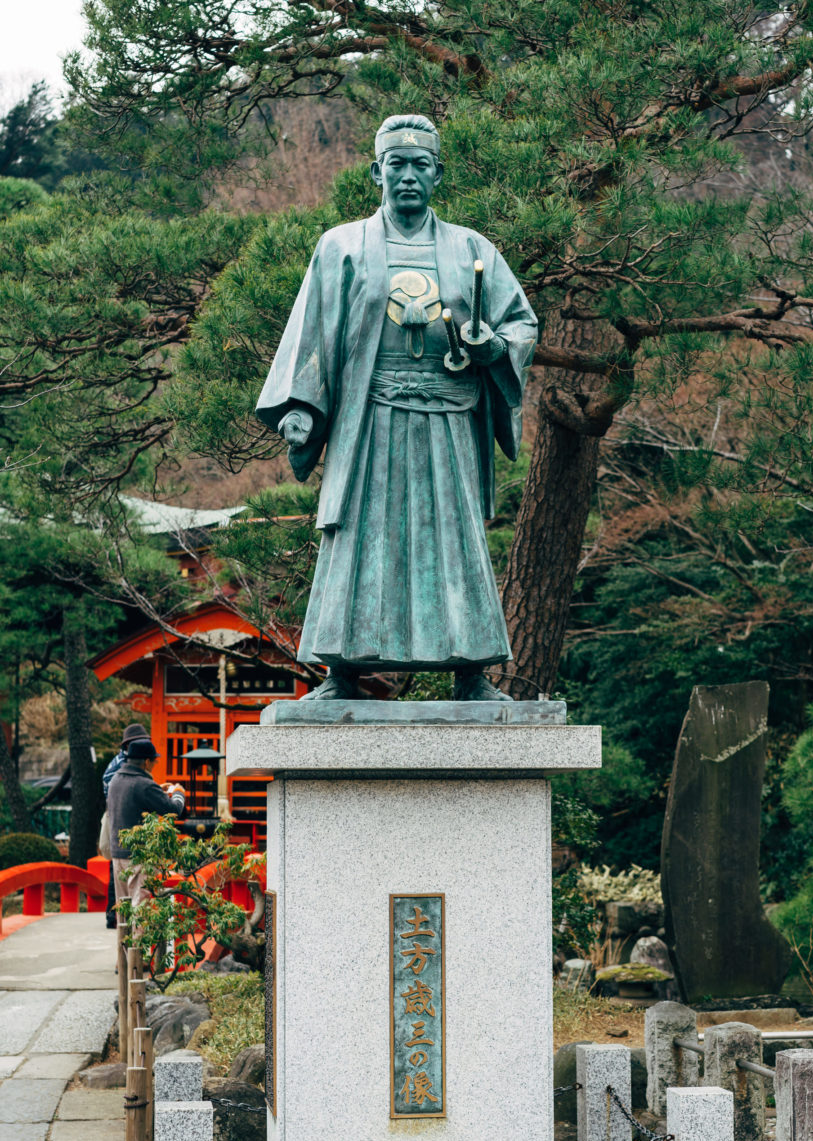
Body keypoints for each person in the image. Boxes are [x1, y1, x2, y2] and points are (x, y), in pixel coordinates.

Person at [255, 113, 538, 701]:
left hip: (448, 416)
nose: (408, 176)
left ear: (438, 174)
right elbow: (313, 334)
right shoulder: (341, 247)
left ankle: (472, 672)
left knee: (455, 538)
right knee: (360, 535)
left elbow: (520, 324)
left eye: (421, 165)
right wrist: (301, 406)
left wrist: (492, 348)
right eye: (396, 165)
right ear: (376, 172)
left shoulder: (471, 248)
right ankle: (342, 671)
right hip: (371, 417)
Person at [106, 738, 185, 910]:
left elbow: (133, 799)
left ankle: (123, 938)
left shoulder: (116, 780)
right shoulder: (144, 785)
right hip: (138, 856)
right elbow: (173, 809)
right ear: (147, 762)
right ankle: (138, 939)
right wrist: (179, 792)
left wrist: (157, 790)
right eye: (154, 761)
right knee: (140, 908)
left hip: (118, 853)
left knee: (124, 907)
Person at [102, 723, 149, 929]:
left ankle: (116, 919)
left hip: (118, 816)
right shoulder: (122, 765)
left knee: (118, 869)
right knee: (119, 870)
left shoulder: (122, 761)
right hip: (120, 817)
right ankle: (113, 917)